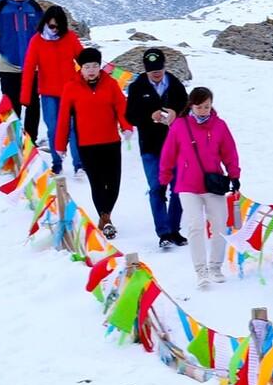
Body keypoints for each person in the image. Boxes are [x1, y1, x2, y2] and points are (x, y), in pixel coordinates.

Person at [159, 87, 241, 289]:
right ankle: (201, 271)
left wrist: (234, 175)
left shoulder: (220, 126)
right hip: (188, 184)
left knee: (220, 225)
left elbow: (229, 151)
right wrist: (164, 180)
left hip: (213, 184)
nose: (204, 110)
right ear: (191, 105)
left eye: (207, 106)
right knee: (195, 226)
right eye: (200, 106)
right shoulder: (180, 125)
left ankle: (215, 266)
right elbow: (168, 154)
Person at [55, 48, 133, 240]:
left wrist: (126, 126)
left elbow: (121, 107)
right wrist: (60, 144)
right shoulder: (71, 87)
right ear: (80, 68)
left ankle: (105, 215)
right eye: (87, 66)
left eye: (95, 66)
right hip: (87, 144)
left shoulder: (111, 84)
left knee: (113, 183)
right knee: (97, 183)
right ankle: (105, 219)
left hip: (111, 141)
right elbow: (64, 118)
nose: (91, 70)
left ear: (100, 67)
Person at [125, 49, 190, 249]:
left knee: (178, 188)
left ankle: (174, 229)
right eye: (152, 70)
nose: (157, 73)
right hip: (151, 147)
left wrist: (174, 112)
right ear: (145, 69)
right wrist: (149, 116)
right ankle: (163, 232)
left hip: (176, 146)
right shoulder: (137, 87)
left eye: (159, 69)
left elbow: (187, 109)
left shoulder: (175, 84)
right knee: (156, 189)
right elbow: (130, 116)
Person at [21, 5, 85, 177]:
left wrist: (83, 81)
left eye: (58, 26)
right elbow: (28, 68)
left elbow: (84, 60)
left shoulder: (70, 37)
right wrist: (26, 96)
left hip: (70, 91)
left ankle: (79, 165)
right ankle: (57, 163)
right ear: (45, 23)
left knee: (73, 128)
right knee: (53, 128)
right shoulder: (36, 41)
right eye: (52, 26)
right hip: (48, 92)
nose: (55, 30)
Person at [0, 0, 43, 141]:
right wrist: (5, 50)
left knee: (33, 103)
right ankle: (12, 138)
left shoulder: (33, 7)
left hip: (33, 66)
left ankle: (31, 140)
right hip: (8, 66)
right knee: (11, 103)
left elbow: (43, 33)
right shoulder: (0, 8)